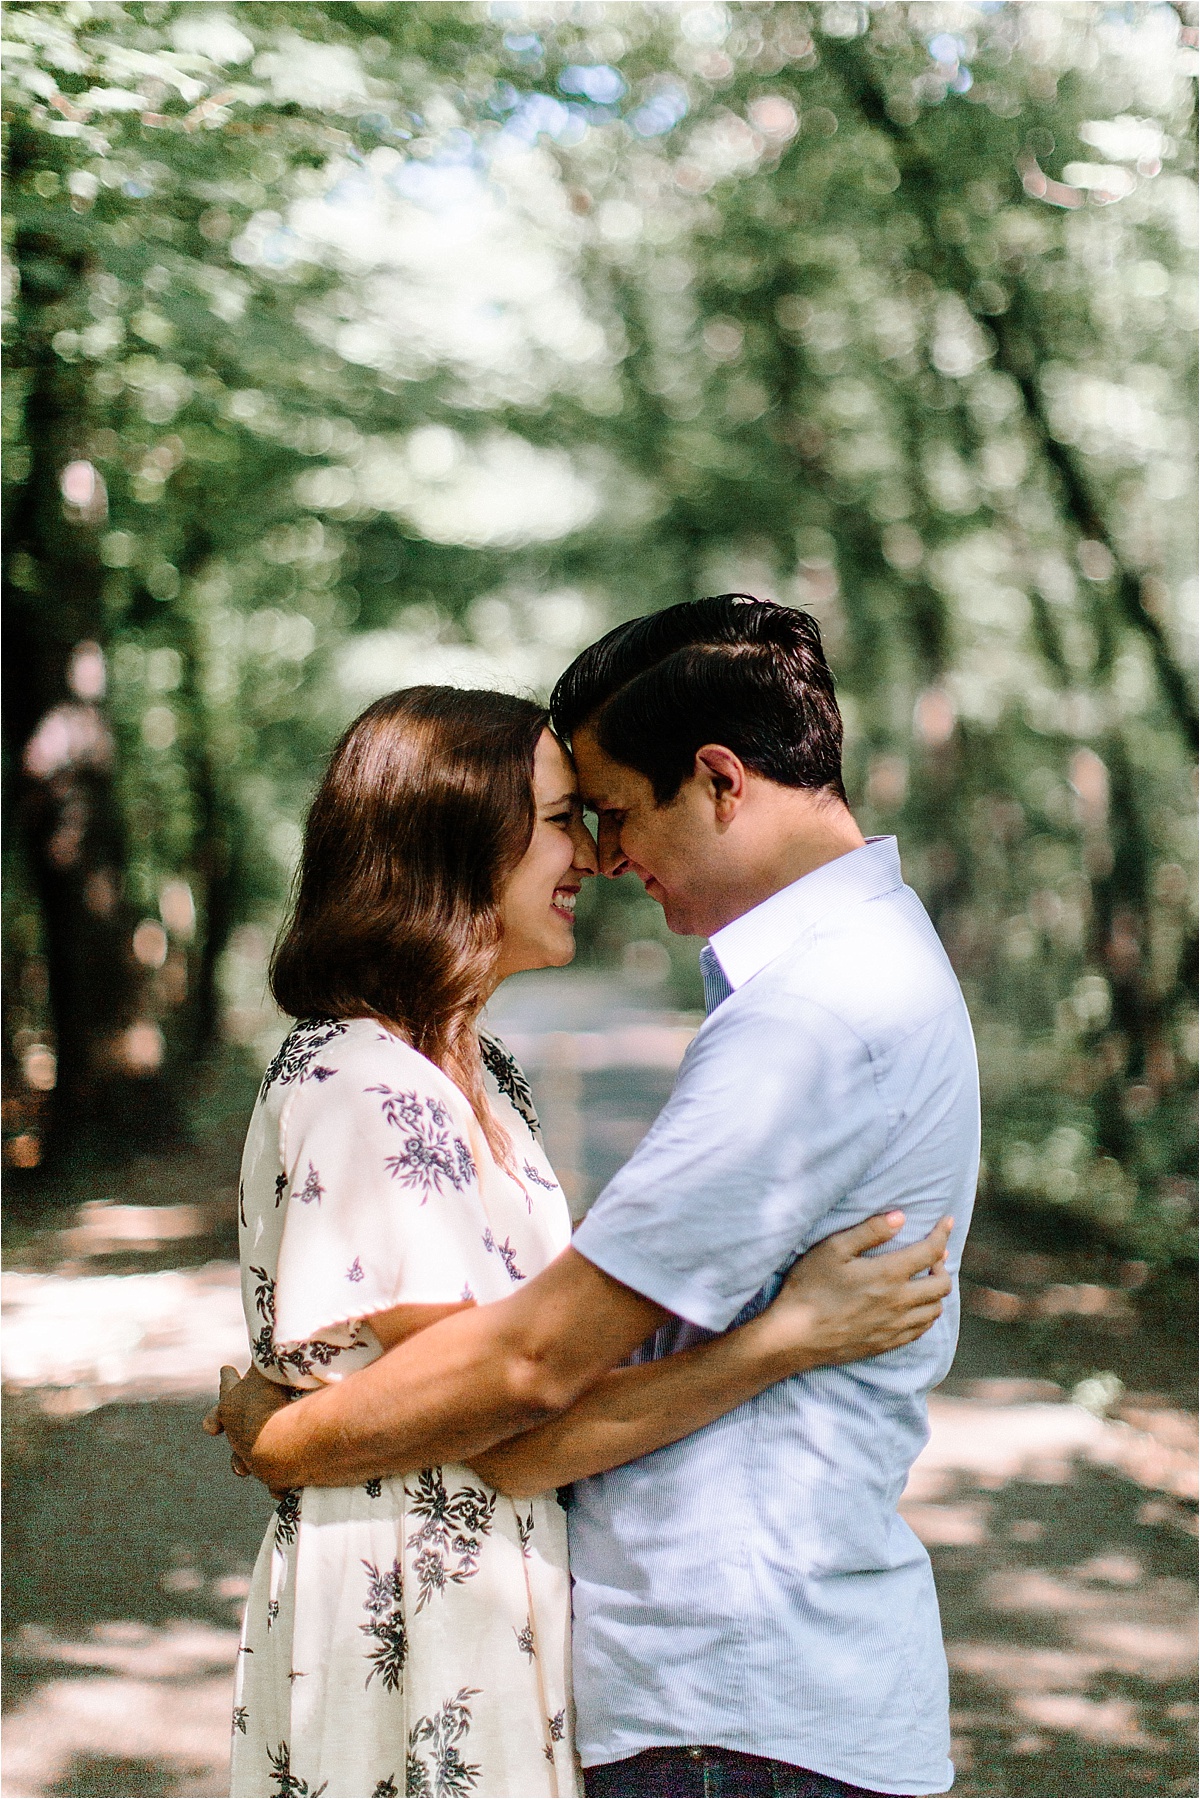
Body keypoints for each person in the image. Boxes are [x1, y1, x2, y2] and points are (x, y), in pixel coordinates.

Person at [212, 677, 955, 1799]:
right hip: (410, 1623)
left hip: (497, 1616)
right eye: (564, 820)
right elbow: (511, 1414)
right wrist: (783, 1336)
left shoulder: (485, 1079)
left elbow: (540, 1368)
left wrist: (291, 1430)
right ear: (457, 840)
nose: (594, 858)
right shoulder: (356, 1081)